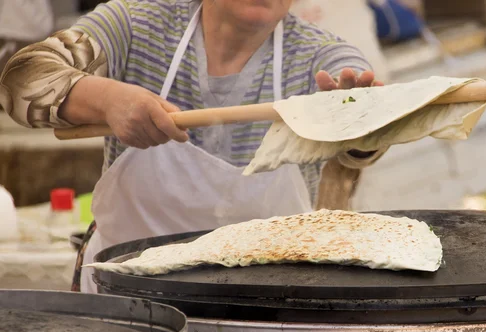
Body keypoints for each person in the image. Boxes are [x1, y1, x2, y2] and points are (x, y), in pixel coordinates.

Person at [0, 0, 386, 293]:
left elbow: (362, 137)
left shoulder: (318, 58)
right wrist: (107, 99)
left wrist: (358, 121)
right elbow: (19, 82)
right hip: (124, 299)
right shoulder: (132, 26)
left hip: (263, 307)